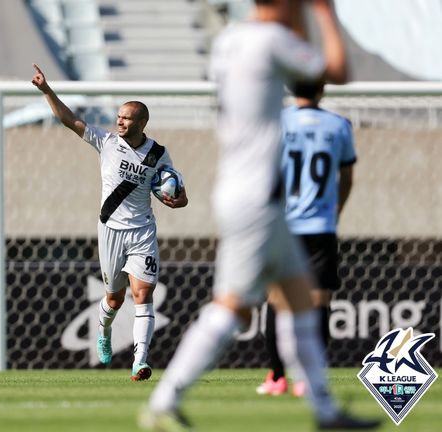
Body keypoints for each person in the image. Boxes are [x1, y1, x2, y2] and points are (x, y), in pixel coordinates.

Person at [140, 0, 379, 430]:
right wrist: (323, 12)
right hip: (258, 198)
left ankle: (325, 412)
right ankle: (163, 402)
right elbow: (338, 71)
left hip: (245, 189)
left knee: (299, 302)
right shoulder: (272, 41)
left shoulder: (229, 41)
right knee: (232, 308)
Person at [30, 64, 188, 381]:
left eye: (126, 118)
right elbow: (68, 120)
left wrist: (177, 200)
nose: (119, 120)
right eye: (118, 116)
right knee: (114, 299)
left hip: (142, 231)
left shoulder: (158, 153)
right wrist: (48, 90)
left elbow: (176, 191)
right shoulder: (106, 141)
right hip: (110, 231)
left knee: (143, 295)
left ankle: (140, 360)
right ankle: (104, 331)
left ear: (142, 123)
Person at [257, 80, 356, 397]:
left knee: (277, 299)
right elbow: (347, 176)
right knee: (319, 303)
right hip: (321, 227)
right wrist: (335, 209)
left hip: (284, 224)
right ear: (322, 90)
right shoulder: (339, 125)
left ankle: (277, 377)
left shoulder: (278, 122)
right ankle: (310, 379)